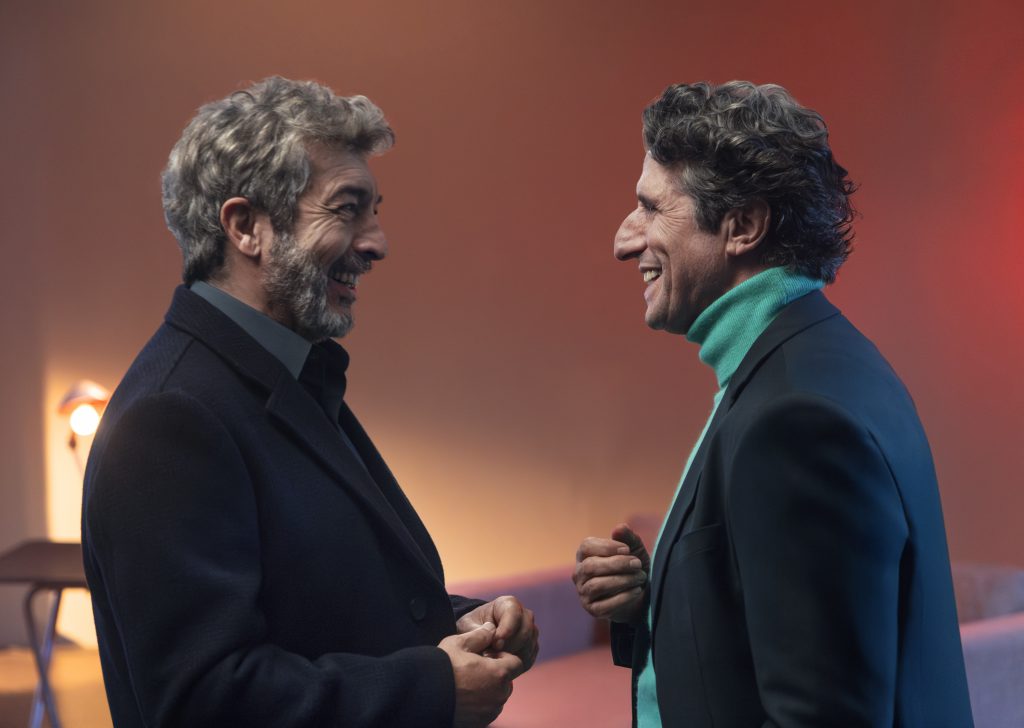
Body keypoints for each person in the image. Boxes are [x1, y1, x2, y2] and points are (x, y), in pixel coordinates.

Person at [82, 76, 538, 728]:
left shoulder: (287, 370)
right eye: (347, 209)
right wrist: (432, 687)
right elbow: (202, 700)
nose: (377, 242)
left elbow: (320, 607)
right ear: (246, 227)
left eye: (374, 211)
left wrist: (462, 624)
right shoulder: (170, 419)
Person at [572, 81, 973, 727]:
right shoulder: (821, 363)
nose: (624, 240)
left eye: (650, 207)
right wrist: (657, 596)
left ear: (743, 227)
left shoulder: (796, 420)